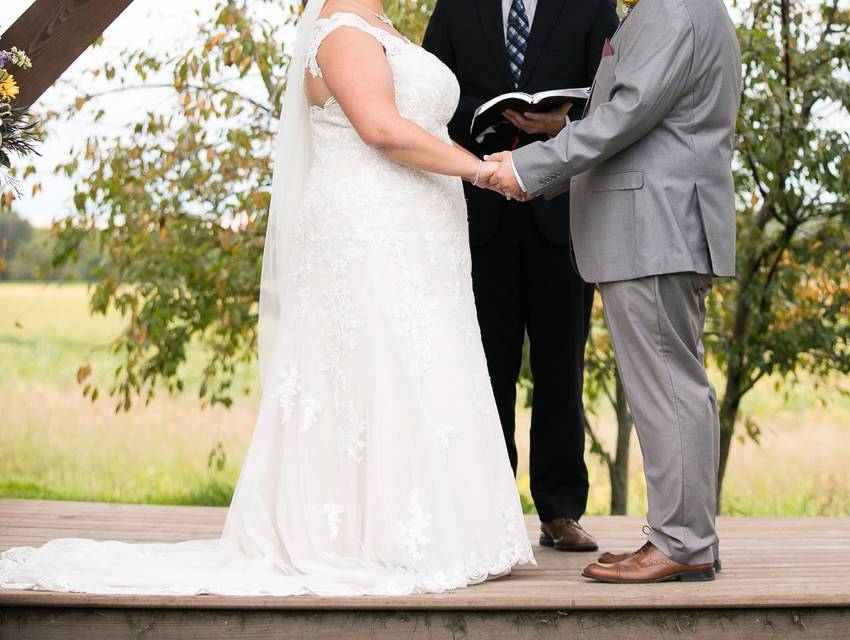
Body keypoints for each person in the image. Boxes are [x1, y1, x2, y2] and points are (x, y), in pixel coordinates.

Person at [0, 0, 534, 596]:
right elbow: (380, 129)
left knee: (420, 365)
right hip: (371, 229)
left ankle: (441, 526)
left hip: (417, 233)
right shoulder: (342, 30)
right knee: (379, 367)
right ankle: (371, 536)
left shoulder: (385, 28)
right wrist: (482, 173)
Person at [484, 0, 742, 583]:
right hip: (659, 225)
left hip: (654, 225)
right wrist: (558, 136)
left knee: (668, 388)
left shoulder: (673, 9)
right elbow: (639, 116)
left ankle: (682, 542)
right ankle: (684, 537)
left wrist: (528, 168)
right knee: (673, 384)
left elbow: (627, 114)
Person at [423, 0, 618, 552]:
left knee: (562, 370)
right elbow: (431, 97)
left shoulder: (591, 6)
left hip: (562, 218)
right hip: (479, 216)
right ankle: (492, 507)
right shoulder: (457, 8)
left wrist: (563, 122)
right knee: (487, 370)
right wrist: (481, 123)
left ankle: (560, 512)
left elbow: (619, 99)